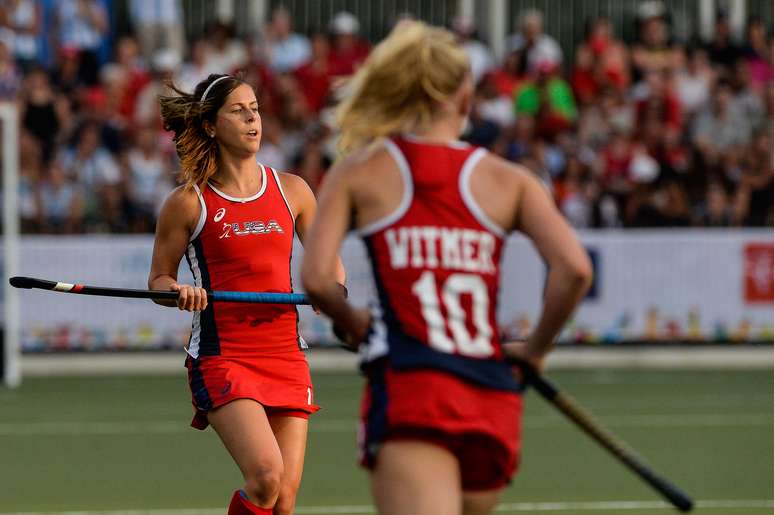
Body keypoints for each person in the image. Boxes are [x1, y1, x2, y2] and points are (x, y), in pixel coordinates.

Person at [300, 22, 592, 515]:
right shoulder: (510, 180)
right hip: (491, 394)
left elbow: (315, 280)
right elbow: (575, 270)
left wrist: (356, 326)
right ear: (463, 96)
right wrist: (536, 350)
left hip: (414, 389)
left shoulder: (360, 170)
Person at [149, 74, 345, 515]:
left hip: (286, 354)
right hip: (224, 356)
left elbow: (327, 260)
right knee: (265, 478)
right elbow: (159, 280)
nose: (253, 117)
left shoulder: (293, 190)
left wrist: (331, 289)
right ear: (212, 126)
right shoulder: (188, 202)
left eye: (255, 107)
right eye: (238, 110)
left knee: (283, 503)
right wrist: (178, 292)